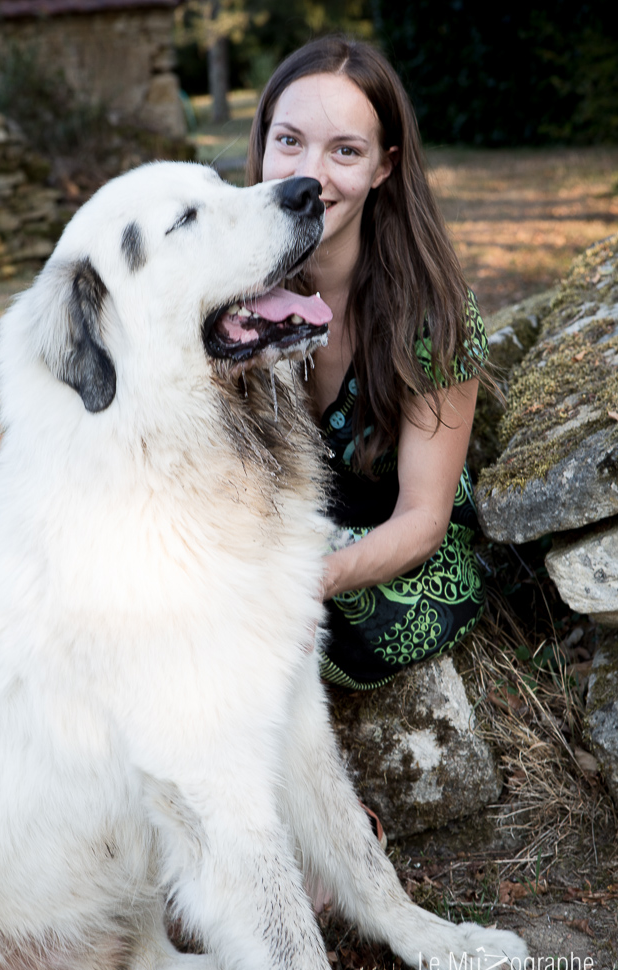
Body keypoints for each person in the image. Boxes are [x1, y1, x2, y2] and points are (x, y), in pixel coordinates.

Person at [246, 36, 492, 690]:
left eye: (345, 151)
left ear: (383, 167)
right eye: (289, 141)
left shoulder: (433, 313)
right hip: (279, 533)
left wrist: (310, 582)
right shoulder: (222, 294)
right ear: (263, 141)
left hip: (390, 550)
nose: (309, 174)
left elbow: (421, 518)